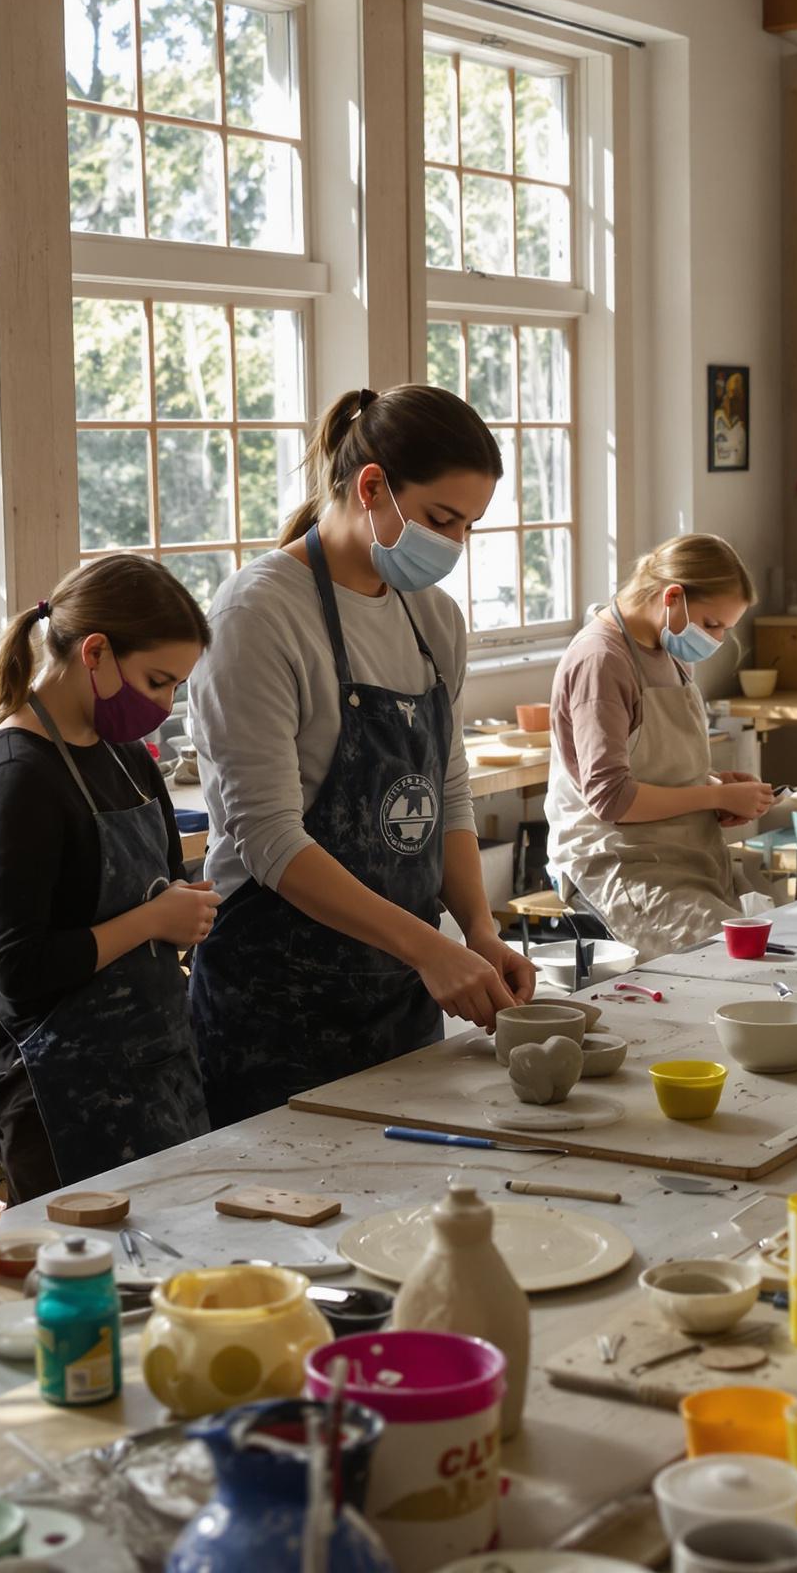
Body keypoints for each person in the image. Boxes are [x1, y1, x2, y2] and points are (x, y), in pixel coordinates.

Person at [188, 385, 536, 1128]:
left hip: (398, 992)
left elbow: (446, 791)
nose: (453, 545)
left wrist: (475, 930)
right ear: (371, 485)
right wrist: (429, 948)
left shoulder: (434, 620)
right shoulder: (258, 616)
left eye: (469, 526)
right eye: (442, 520)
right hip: (277, 1001)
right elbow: (272, 841)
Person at [0, 555, 214, 1201]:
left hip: (151, 1059)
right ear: (95, 652)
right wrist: (155, 922)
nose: (163, 704)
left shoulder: (125, 757)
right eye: (157, 681)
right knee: (97, 1284)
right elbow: (19, 972)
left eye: (176, 687)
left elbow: (163, 878)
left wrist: (187, 909)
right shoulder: (18, 777)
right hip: (51, 1083)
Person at [545, 534, 774, 959]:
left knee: (777, 939)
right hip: (622, 863)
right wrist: (715, 795)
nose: (718, 639)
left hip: (684, 854)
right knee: (729, 960)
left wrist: (713, 786)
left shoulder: (669, 651)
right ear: (672, 597)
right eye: (711, 624)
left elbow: (652, 765)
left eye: (725, 628)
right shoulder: (602, 660)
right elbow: (611, 799)